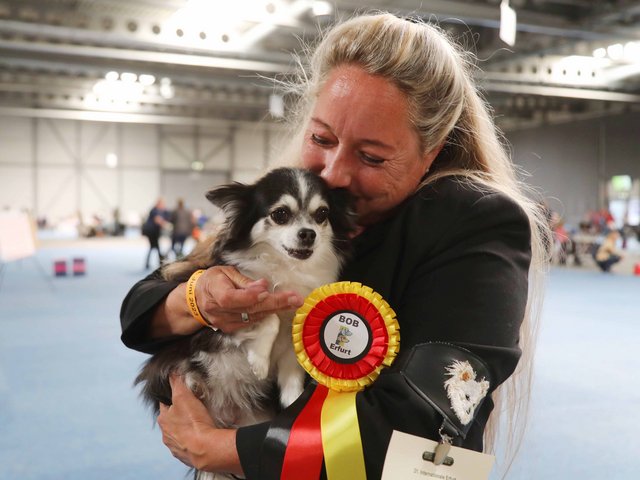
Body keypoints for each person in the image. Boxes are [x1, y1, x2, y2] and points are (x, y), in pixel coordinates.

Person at [120, 13, 551, 479]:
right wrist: (200, 298)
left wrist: (223, 449)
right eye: (321, 138)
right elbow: (140, 310)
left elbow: (422, 430)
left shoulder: (477, 220)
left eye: (371, 156)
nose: (334, 173)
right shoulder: (299, 197)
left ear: (435, 149)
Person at [142, 198, 170, 269]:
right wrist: (166, 225)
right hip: (151, 232)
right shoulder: (154, 210)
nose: (163, 206)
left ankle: (151, 263)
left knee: (153, 247)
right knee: (155, 247)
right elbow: (158, 220)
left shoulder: (160, 211)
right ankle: (160, 262)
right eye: (162, 204)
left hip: (154, 232)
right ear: (158, 204)